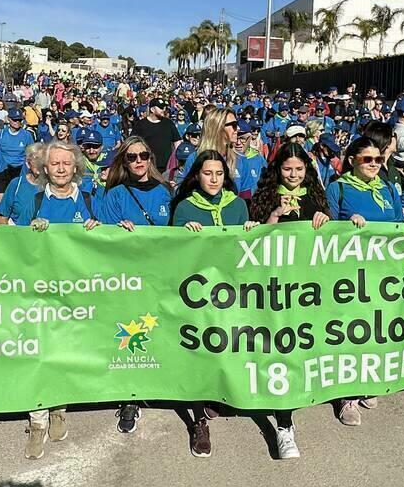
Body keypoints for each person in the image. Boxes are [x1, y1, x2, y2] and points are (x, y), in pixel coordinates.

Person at [325, 136, 404, 427]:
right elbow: (325, 230)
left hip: (381, 271)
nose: (374, 165)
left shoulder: (389, 188)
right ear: (352, 159)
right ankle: (346, 395)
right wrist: (345, 225)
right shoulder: (338, 188)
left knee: (375, 328)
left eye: (379, 160)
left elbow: (394, 223)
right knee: (348, 331)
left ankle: (368, 379)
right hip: (348, 273)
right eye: (367, 159)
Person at [16, 139, 102, 460]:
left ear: (76, 166)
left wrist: (99, 229)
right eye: (55, 164)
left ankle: (59, 407)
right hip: (41, 294)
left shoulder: (92, 200)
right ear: (45, 168)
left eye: (67, 163)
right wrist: (29, 234)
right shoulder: (34, 201)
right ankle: (37, 420)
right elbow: (12, 247)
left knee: (65, 353)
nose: (62, 169)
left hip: (78, 295)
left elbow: (111, 246)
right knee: (39, 354)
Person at [170, 150, 256, 458]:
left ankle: (220, 393)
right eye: (208, 173)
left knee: (226, 346)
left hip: (230, 291)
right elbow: (171, 252)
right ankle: (198, 421)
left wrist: (250, 232)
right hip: (196, 293)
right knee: (198, 352)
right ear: (197, 175)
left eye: (219, 174)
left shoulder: (237, 205)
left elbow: (246, 251)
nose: (214, 179)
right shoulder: (183, 207)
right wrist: (183, 235)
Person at [247, 142, 331, 458]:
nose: (293, 174)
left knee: (301, 348)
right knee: (276, 349)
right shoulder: (266, 197)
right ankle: (285, 425)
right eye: (287, 169)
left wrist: (325, 220)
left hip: (306, 288)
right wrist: (270, 221)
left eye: (299, 169)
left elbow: (334, 244)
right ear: (277, 170)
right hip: (272, 288)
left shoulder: (316, 197)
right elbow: (251, 241)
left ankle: (300, 411)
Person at [99, 136, 173, 434]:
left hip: (163, 275)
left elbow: (179, 232)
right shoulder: (115, 195)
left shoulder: (167, 191)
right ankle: (131, 394)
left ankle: (165, 383)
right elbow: (104, 239)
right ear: (124, 162)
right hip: (129, 277)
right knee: (133, 335)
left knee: (162, 331)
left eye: (144, 155)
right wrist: (118, 232)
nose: (139, 161)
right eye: (132, 157)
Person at [0, 142, 48, 225]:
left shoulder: (52, 186)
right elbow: (3, 217)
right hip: (17, 234)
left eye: (43, 160)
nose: (40, 164)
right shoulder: (16, 184)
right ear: (28, 164)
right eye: (37, 159)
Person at [0, 109, 36, 200]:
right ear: (8, 119)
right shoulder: (1, 134)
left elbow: (32, 153)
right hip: (5, 170)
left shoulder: (27, 135)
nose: (17, 122)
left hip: (20, 170)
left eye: (19, 120)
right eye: (14, 120)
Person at [132, 98, 177, 174]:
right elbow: (133, 142)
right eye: (161, 107)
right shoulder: (140, 125)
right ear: (152, 109)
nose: (164, 109)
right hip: (148, 166)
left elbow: (177, 141)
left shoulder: (169, 123)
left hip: (167, 167)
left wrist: (175, 159)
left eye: (164, 107)